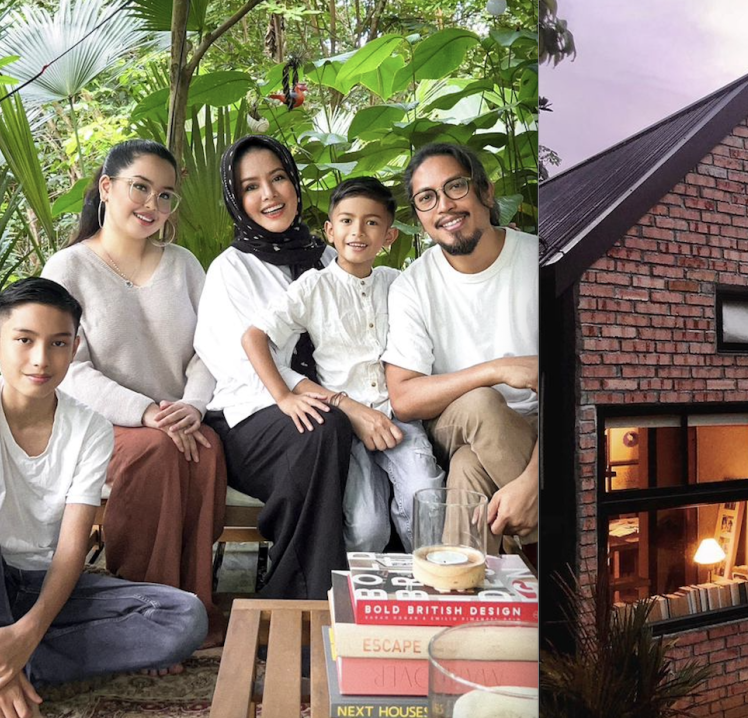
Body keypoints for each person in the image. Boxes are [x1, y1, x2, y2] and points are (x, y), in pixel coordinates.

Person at [0, 278, 206, 718]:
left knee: (182, 618)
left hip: (41, 587)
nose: (41, 359)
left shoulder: (90, 429)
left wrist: (26, 634)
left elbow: (70, 552)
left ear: (75, 346)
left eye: (58, 343)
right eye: (24, 340)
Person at [41, 139, 227, 646]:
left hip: (181, 418)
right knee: (155, 454)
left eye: (166, 195)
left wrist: (191, 405)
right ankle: (144, 616)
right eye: (140, 188)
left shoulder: (184, 263)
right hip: (102, 424)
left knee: (206, 452)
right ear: (107, 187)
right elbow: (69, 369)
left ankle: (194, 607)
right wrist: (145, 412)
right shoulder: (68, 269)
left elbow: (210, 349)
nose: (153, 205)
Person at [242, 177, 445, 552]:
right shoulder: (313, 287)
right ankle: (362, 603)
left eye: (371, 222)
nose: (358, 231)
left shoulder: (397, 283)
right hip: (347, 428)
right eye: (347, 221)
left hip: (399, 418)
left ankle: (427, 594)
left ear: (389, 236)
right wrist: (283, 397)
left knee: (427, 501)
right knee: (367, 527)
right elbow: (254, 337)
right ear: (330, 231)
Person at [195, 135, 355, 600]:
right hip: (248, 417)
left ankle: (382, 593)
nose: (268, 194)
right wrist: (337, 402)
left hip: (326, 412)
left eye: (278, 178)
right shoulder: (231, 270)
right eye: (250, 187)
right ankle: (304, 597)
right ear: (236, 199)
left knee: (342, 428)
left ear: (295, 183)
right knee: (323, 427)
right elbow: (242, 364)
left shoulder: (329, 260)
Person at [382, 143, 539, 553]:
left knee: (468, 471)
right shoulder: (413, 286)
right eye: (427, 198)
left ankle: (463, 598)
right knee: (483, 404)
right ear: (419, 216)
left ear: (486, 193)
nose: (444, 206)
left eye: (456, 187)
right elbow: (404, 397)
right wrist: (495, 369)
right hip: (459, 419)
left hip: (539, 429)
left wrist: (532, 482)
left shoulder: (539, 261)